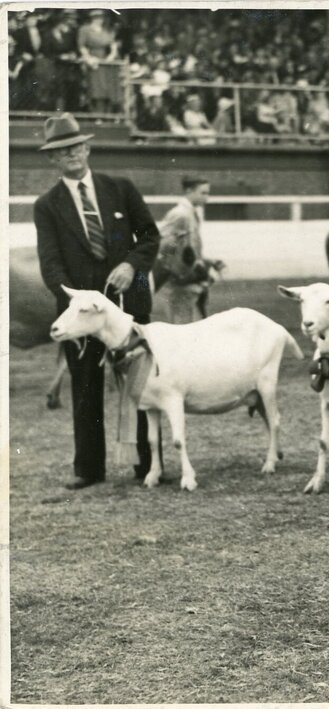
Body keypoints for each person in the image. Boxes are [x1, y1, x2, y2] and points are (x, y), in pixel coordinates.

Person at [34, 113, 160, 489]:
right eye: (62, 151)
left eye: (76, 146)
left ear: (87, 148)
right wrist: (77, 302)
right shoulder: (47, 205)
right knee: (87, 386)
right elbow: (50, 264)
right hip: (82, 317)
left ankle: (147, 465)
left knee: (139, 385)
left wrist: (130, 265)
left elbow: (150, 237)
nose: (71, 154)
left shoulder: (120, 188)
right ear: (52, 158)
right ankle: (89, 469)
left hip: (128, 307)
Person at [154, 176, 221, 319]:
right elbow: (162, 243)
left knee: (193, 321)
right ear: (189, 191)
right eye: (203, 193)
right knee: (182, 324)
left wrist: (205, 261)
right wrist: (176, 268)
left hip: (190, 279)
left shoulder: (190, 213)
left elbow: (188, 246)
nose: (207, 197)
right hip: (180, 282)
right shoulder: (180, 214)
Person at [77, 9, 119, 114]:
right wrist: (88, 58)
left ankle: (106, 113)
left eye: (101, 18)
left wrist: (111, 56)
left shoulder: (105, 31)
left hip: (105, 61)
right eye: (96, 18)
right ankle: (95, 112)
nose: (99, 20)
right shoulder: (85, 29)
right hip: (93, 60)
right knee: (95, 88)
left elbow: (113, 45)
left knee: (106, 88)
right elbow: (81, 46)